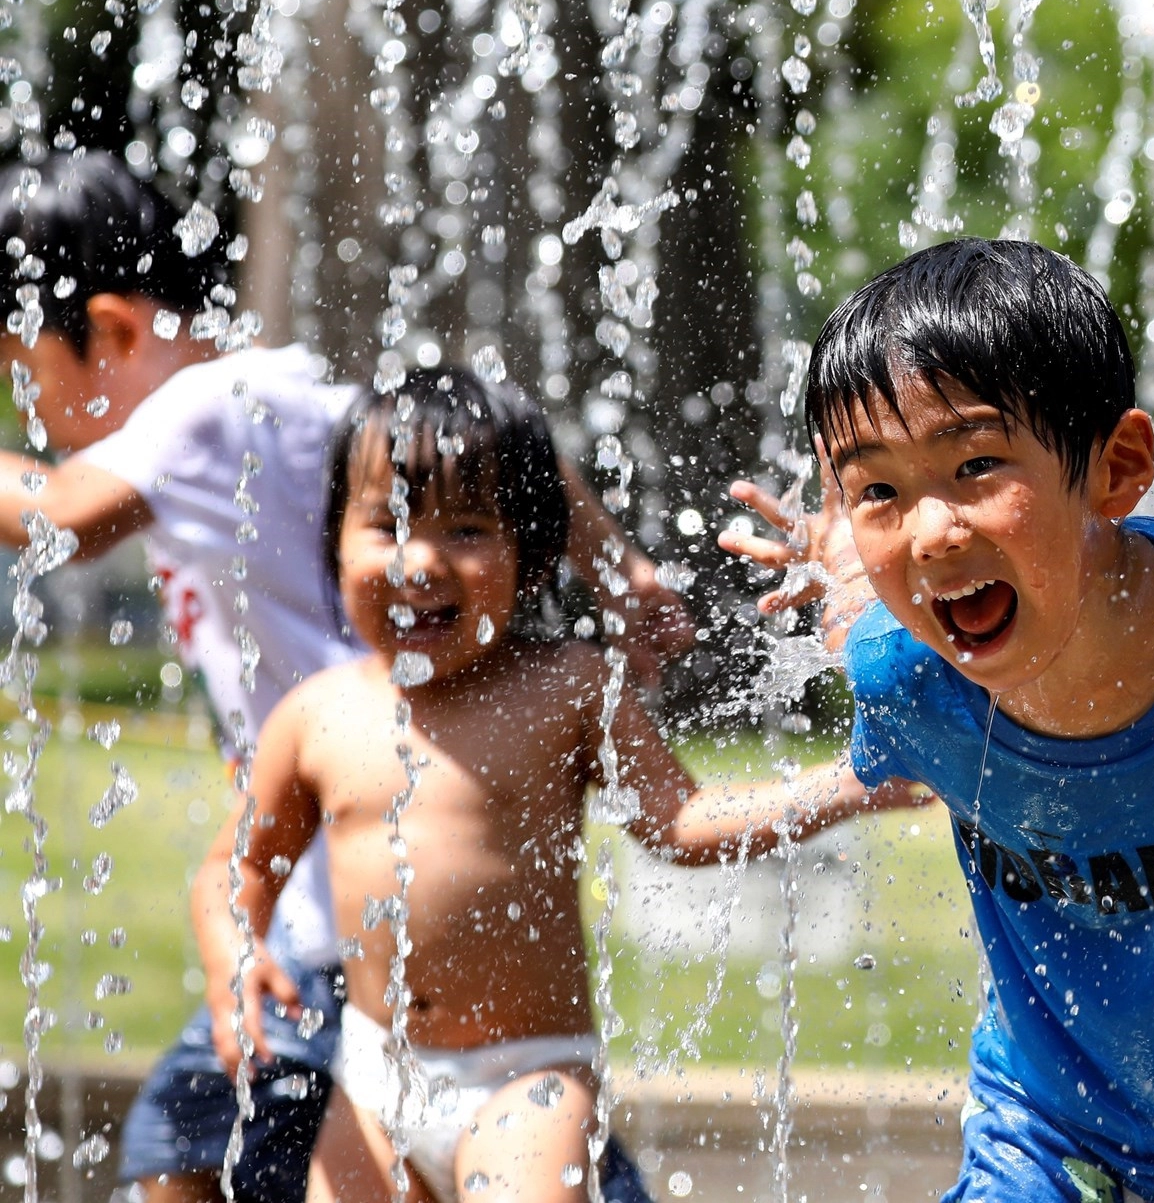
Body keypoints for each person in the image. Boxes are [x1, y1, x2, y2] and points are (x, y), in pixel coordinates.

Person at [0, 151, 693, 1203]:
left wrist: (615, 578)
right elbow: (505, 453)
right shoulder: (277, 385)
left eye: (21, 372)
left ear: (117, 331)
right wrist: (619, 570)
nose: (29, 414)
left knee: (185, 1149)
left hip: (347, 889)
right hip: (352, 867)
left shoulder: (201, 408)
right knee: (225, 1142)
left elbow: (54, 519)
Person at [720, 237, 1154, 1203]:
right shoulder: (909, 681)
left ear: (1118, 468)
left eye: (976, 464)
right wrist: (847, 566)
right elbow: (867, 634)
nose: (933, 533)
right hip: (1053, 1127)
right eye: (879, 490)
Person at [191, 366, 916, 1203]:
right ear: (334, 541)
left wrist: (848, 783)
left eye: (465, 529)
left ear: (531, 559)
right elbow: (235, 866)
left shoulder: (567, 686)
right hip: (372, 1075)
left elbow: (680, 820)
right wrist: (232, 957)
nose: (420, 560)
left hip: (526, 1077)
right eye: (385, 526)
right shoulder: (314, 715)